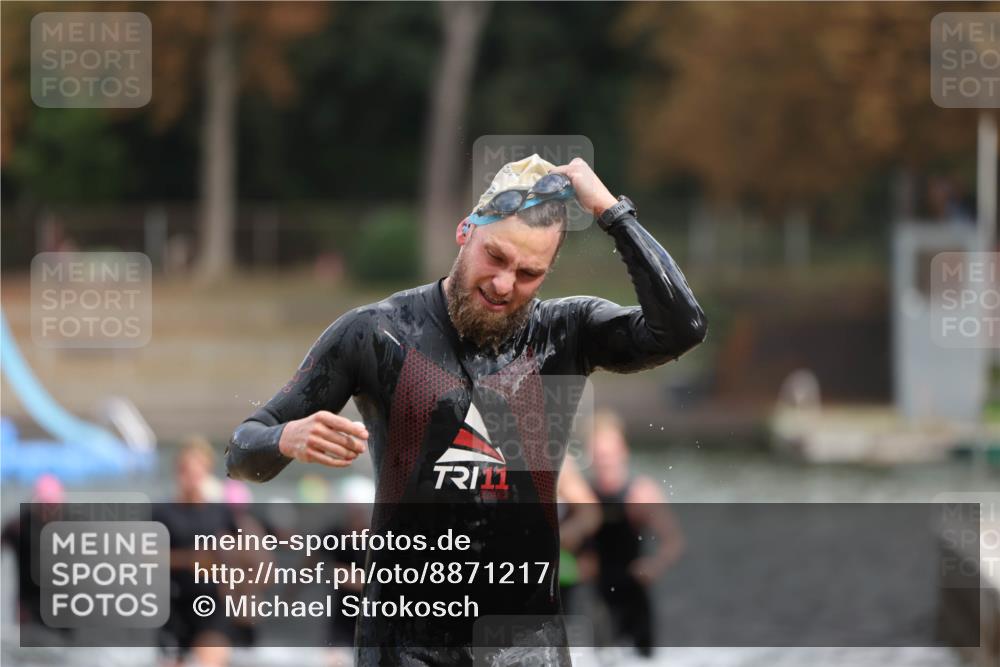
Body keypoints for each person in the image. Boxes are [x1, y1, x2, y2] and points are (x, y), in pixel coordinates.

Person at [227, 155, 707, 665]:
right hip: (405, 644)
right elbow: (241, 450)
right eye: (495, 257)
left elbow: (681, 329)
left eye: (528, 273)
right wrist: (285, 438)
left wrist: (612, 212)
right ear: (465, 231)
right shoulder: (376, 333)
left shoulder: (565, 333)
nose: (504, 284)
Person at [585, 410, 685, 659]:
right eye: (599, 456)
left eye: (609, 455)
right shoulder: (582, 495)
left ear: (623, 451)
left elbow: (673, 542)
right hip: (597, 596)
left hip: (633, 592)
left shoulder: (640, 494)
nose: (605, 461)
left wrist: (654, 565)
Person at [154, 436, 237, 667]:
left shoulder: (220, 513)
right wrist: (189, 560)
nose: (191, 476)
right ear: (177, 472)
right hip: (174, 604)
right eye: (185, 470)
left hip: (211, 602)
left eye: (197, 470)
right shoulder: (162, 513)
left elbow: (242, 554)